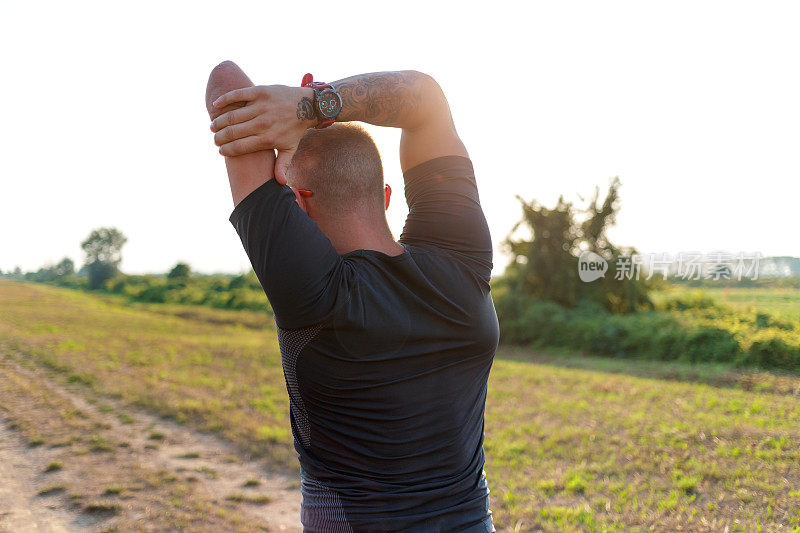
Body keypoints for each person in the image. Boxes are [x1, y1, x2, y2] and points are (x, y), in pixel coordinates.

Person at [205, 61, 498, 533]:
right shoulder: (462, 260)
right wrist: (313, 105)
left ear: (298, 202)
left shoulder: (312, 294)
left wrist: (296, 122)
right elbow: (427, 100)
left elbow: (226, 85)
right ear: (384, 196)